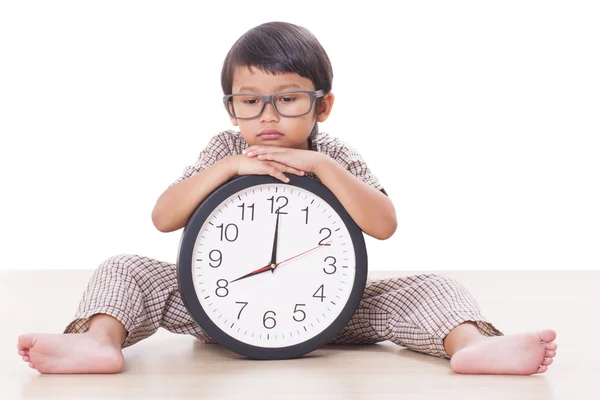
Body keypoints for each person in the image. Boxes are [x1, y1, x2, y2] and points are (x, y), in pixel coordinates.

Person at [17, 21, 556, 375]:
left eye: (288, 99)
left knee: (432, 287)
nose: (268, 115)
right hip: (210, 305)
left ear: (322, 107)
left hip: (332, 309)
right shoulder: (225, 148)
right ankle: (99, 341)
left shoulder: (334, 153)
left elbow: (384, 223)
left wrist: (323, 167)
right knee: (126, 269)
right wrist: (227, 167)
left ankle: (471, 346)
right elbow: (164, 217)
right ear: (231, 108)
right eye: (250, 101)